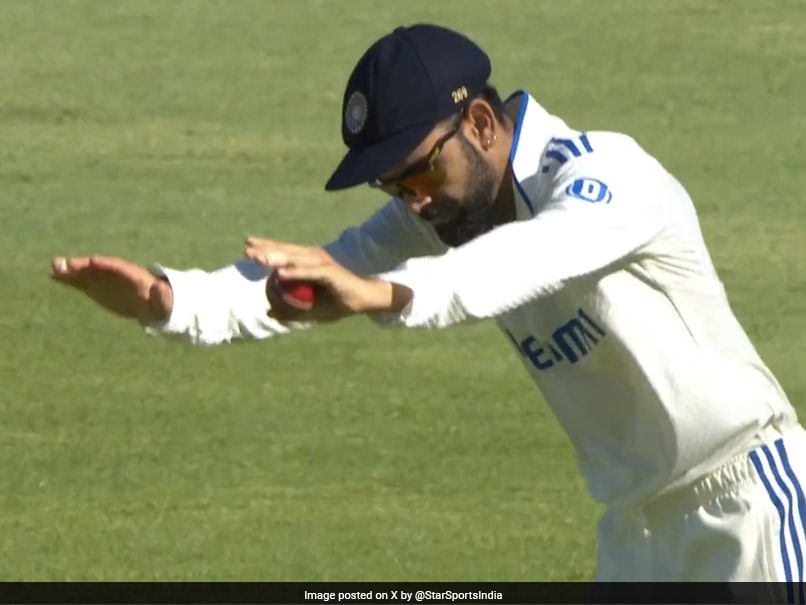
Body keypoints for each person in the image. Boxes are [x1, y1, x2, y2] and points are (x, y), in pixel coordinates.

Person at [51, 23, 805, 591]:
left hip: (747, 507)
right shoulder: (441, 211)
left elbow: (528, 260)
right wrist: (169, 299)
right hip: (635, 537)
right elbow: (318, 272)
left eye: (420, 169)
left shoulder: (605, 176)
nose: (410, 197)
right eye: (392, 184)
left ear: (479, 122)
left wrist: (385, 295)